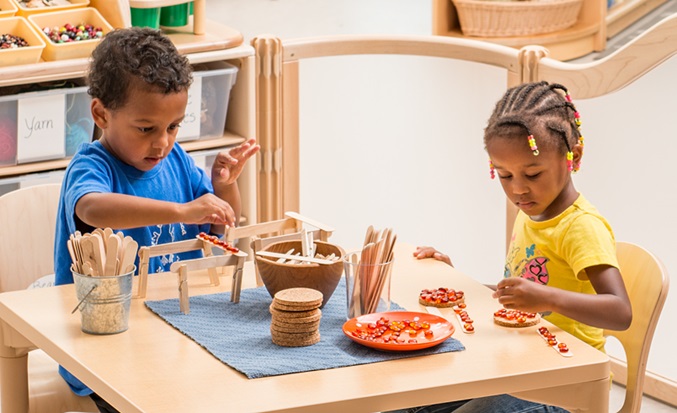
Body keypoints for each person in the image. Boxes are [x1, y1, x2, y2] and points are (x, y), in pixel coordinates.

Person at [53, 27, 259, 412]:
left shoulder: (176, 159)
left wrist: (223, 187)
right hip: (106, 351)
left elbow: (217, 227)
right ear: (101, 113)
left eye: (173, 126)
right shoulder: (92, 167)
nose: (162, 142)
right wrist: (180, 211)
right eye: (146, 128)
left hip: (178, 335)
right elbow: (91, 208)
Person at [406, 81, 632, 413]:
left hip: (564, 386)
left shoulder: (579, 226)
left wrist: (546, 298)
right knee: (416, 399)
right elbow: (522, 292)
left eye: (533, 173)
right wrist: (457, 284)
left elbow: (620, 311)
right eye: (505, 176)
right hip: (520, 365)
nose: (519, 190)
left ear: (574, 156)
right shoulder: (533, 212)